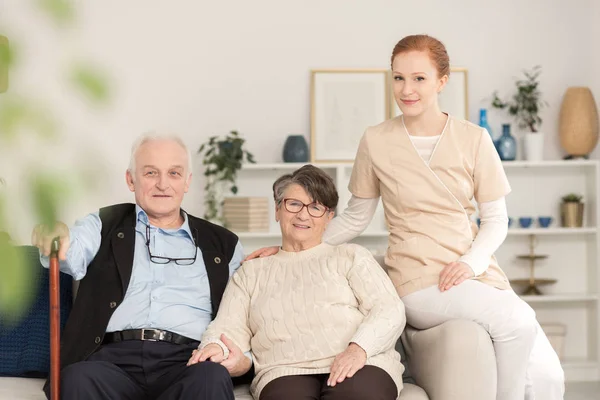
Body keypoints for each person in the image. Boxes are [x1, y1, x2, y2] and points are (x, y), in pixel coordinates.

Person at [246, 35, 565, 400]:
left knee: (548, 378)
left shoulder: (474, 138)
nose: (406, 89)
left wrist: (470, 263)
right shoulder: (376, 140)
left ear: (442, 81)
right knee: (518, 320)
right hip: (417, 281)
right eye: (398, 78)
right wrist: (294, 246)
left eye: (419, 78)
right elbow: (355, 218)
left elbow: (496, 220)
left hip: (473, 274)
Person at [31, 133, 250, 400]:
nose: (162, 184)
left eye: (174, 173)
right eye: (150, 173)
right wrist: (58, 237)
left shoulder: (223, 244)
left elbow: (242, 313)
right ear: (130, 179)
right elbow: (71, 251)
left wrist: (243, 359)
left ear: (187, 182)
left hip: (188, 360)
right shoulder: (104, 223)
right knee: (77, 378)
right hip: (110, 360)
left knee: (210, 377)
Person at [188, 165, 405, 400]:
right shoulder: (251, 271)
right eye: (294, 204)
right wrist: (213, 348)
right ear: (278, 210)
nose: (303, 215)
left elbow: (389, 309)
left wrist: (358, 349)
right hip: (283, 371)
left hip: (361, 363)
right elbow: (227, 327)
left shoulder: (351, 256)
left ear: (329, 217)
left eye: (315, 207)